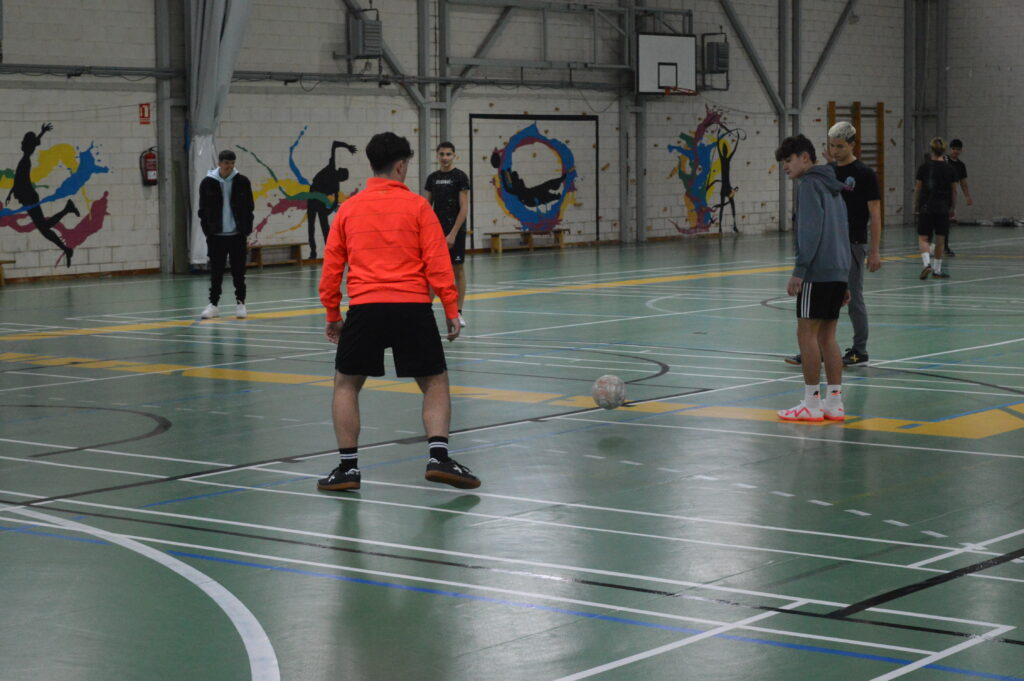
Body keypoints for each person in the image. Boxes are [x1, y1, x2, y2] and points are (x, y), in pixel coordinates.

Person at [317, 132, 480, 492]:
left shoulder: (349, 208)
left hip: (365, 308)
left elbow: (332, 266)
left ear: (372, 164)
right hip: (412, 307)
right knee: (434, 381)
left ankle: (347, 469)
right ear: (402, 165)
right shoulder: (420, 208)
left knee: (346, 384)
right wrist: (451, 307)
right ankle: (439, 458)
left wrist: (333, 312)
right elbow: (438, 263)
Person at [785, 122, 881, 368]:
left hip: (853, 242)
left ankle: (860, 350)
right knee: (824, 303)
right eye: (832, 146)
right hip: (829, 243)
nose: (835, 151)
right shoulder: (827, 172)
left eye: (840, 146)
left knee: (853, 297)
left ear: (852, 145)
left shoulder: (864, 174)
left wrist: (875, 250)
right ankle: (812, 351)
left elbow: (875, 211)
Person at [775, 134, 851, 423]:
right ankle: (835, 403)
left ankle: (810, 403)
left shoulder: (809, 185)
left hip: (817, 272)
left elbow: (810, 230)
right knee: (828, 337)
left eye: (788, 160)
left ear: (805, 157)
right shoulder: (833, 185)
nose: (785, 166)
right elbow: (844, 230)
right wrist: (844, 276)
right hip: (837, 271)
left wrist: (800, 271)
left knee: (806, 334)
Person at [6, 123, 78, 267]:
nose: (20, 143)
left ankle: (66, 245)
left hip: (29, 198)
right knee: (44, 227)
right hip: (27, 198)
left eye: (23, 142)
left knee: (44, 229)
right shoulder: (24, 159)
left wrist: (15, 191)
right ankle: (67, 211)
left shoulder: (25, 161)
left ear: (26, 145)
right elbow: (18, 179)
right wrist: (11, 192)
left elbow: (22, 180)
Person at [198, 150, 255, 319]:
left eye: (232, 163)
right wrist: (208, 231)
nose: (229, 167)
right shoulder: (208, 183)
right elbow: (202, 210)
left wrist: (246, 228)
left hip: (237, 235)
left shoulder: (242, 181)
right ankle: (213, 305)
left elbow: (249, 207)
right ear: (219, 163)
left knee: (239, 271)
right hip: (216, 236)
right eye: (226, 163)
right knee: (216, 272)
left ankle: (240, 303)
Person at [424, 142, 471, 327]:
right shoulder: (432, 178)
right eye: (442, 154)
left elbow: (464, 207)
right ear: (437, 155)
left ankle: (458, 312)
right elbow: (427, 207)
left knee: (457, 269)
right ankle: (426, 311)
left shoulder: (460, 177)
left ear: (454, 156)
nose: (445, 157)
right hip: (436, 232)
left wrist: (452, 234)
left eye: (448, 154)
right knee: (433, 271)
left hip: (455, 231)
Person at [914, 138, 959, 280]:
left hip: (926, 207)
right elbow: (954, 191)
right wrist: (952, 207)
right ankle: (937, 270)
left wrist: (916, 203)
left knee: (923, 237)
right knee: (940, 238)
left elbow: (918, 188)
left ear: (931, 150)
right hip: (942, 207)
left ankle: (927, 263)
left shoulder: (924, 167)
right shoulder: (950, 169)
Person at [306, 140, 357, 260]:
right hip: (314, 197)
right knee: (312, 226)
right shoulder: (331, 168)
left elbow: (335, 201)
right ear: (339, 173)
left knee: (324, 228)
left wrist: (329, 211)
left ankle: (329, 253)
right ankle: (313, 252)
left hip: (320, 202)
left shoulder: (336, 184)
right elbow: (334, 144)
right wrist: (347, 146)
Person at [944, 138, 973, 257]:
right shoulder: (944, 160)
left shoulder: (961, 166)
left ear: (961, 151)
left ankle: (945, 246)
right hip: (939, 194)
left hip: (950, 197)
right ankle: (928, 245)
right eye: (953, 149)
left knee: (946, 223)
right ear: (950, 149)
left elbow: (963, 183)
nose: (955, 151)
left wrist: (967, 196)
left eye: (958, 149)